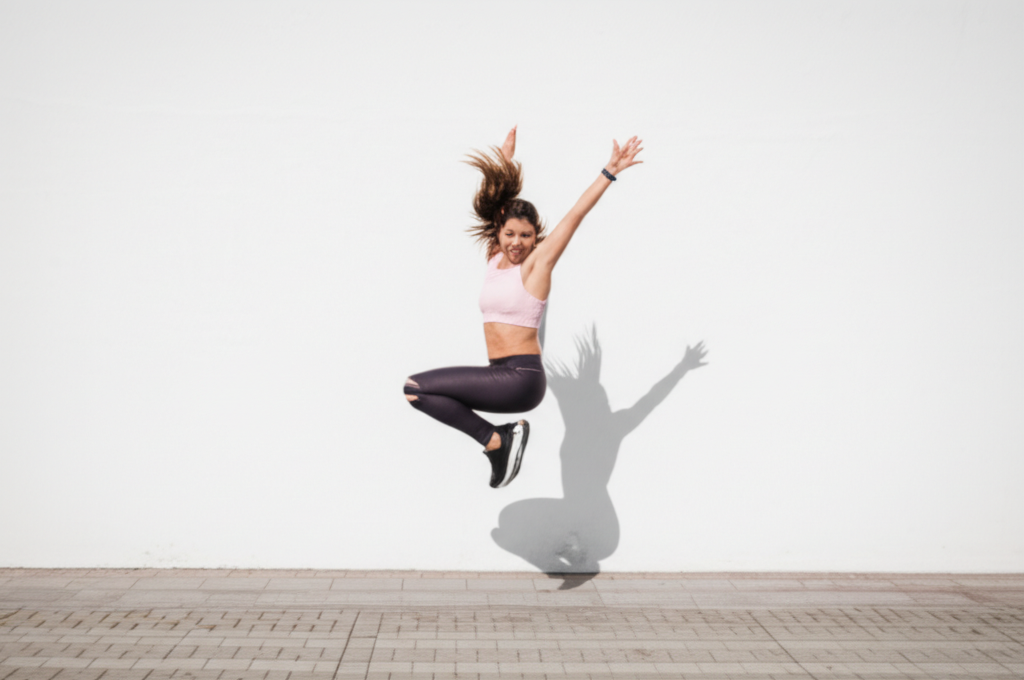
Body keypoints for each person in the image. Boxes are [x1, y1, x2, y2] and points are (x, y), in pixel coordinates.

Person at [403, 126, 644, 488]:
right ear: (500, 233)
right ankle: (497, 441)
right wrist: (504, 162)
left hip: (521, 378)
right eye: (510, 234)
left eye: (527, 236)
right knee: (415, 390)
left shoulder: (536, 266)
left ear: (536, 237)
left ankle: (497, 440)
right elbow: (493, 209)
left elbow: (575, 215)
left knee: (416, 388)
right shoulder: (495, 258)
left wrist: (609, 172)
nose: (517, 243)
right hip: (500, 373)